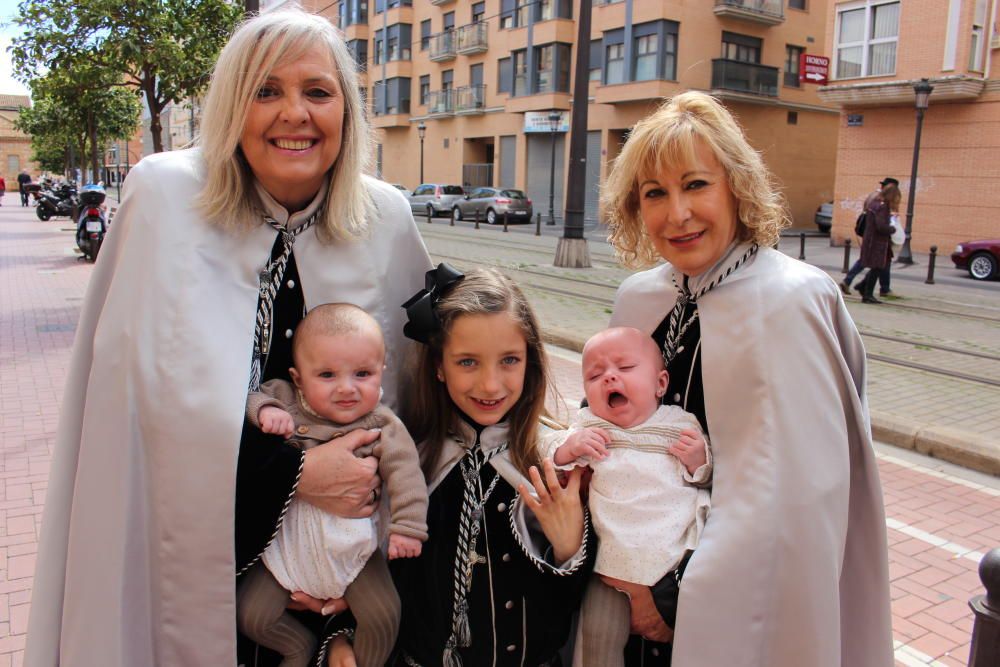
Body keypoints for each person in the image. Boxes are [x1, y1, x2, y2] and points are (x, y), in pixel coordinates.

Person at [25, 10, 432, 667]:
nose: (293, 113)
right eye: (264, 91)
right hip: (194, 573)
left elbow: (420, 408)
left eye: (318, 92)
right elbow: (133, 425)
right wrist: (298, 474)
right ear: (229, 106)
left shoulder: (384, 217)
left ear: (347, 112)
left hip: (344, 579)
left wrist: (353, 558)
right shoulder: (162, 199)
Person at [600, 91, 892, 667]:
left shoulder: (791, 300)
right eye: (654, 193)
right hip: (626, 594)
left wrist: (669, 597)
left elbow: (794, 501)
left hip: (730, 612)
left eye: (695, 185)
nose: (676, 213)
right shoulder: (638, 297)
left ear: (735, 184)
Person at [389, 265, 596, 667]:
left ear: (529, 362)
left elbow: (568, 610)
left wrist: (569, 545)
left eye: (509, 361)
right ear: (437, 366)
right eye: (467, 362)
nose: (490, 385)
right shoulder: (409, 463)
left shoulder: (555, 462)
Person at [239, 303, 428, 667]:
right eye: (326, 375)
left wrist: (408, 529)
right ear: (297, 378)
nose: (346, 389)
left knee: (384, 614)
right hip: (288, 546)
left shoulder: (383, 425)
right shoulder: (286, 399)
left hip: (354, 549)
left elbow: (407, 477)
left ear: (381, 373)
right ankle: (298, 648)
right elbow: (249, 397)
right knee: (252, 614)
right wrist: (265, 411)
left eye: (362, 374)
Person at [541, 326, 711, 667]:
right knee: (596, 648)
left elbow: (703, 481)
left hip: (668, 561)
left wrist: (700, 461)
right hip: (607, 565)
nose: (609, 378)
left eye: (625, 368)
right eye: (595, 374)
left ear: (660, 384)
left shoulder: (680, 425)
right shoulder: (590, 425)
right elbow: (550, 450)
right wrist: (569, 447)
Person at [840, 177, 898, 297]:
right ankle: (872, 288)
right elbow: (880, 224)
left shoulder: (874, 196)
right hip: (876, 238)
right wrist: (892, 227)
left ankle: (874, 287)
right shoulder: (881, 202)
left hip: (871, 235)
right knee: (874, 262)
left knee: (877, 261)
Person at [856, 181, 901, 304]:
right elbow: (881, 226)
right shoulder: (882, 206)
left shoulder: (875, 203)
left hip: (873, 240)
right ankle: (867, 294)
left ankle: (863, 286)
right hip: (876, 242)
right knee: (877, 267)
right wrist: (892, 229)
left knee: (880, 266)